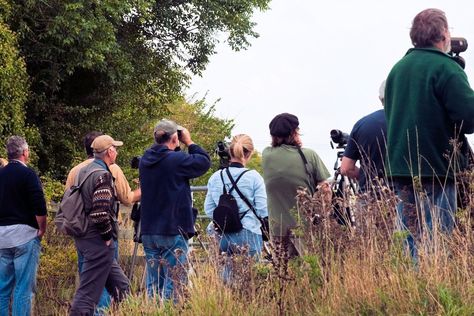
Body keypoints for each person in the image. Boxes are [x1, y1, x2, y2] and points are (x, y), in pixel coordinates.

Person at [384, 8, 474, 257]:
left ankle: (408, 291)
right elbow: (469, 119)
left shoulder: (397, 70)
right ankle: (431, 292)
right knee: (438, 244)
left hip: (401, 169)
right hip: (437, 169)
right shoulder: (446, 68)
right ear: (444, 34)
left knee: (408, 241)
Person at [65, 131, 140, 314]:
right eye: (115, 148)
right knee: (88, 294)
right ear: (108, 152)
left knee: (122, 287)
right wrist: (107, 237)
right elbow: (99, 212)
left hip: (82, 235)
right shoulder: (103, 175)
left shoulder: (81, 171)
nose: (117, 152)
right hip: (98, 240)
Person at [139, 119, 211, 300]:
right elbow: (203, 162)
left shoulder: (145, 160)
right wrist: (190, 142)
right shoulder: (176, 160)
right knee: (175, 282)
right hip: (172, 229)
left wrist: (177, 146)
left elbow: (167, 161)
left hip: (148, 230)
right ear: (174, 138)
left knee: (154, 285)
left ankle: (151, 312)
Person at [262, 113, 331, 257]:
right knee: (312, 270)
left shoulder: (266, 155)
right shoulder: (309, 155)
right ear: (294, 132)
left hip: (277, 229)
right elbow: (325, 189)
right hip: (305, 227)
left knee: (282, 274)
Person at [204, 134, 268, 281]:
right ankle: (245, 300)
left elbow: (209, 209)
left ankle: (227, 298)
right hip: (248, 232)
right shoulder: (254, 177)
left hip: (222, 234)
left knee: (226, 272)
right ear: (249, 153)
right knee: (251, 277)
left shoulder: (216, 177)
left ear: (230, 151)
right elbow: (263, 209)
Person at [0, 136, 47, 315]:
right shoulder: (28, 174)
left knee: (3, 289)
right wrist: (42, 228)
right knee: (23, 288)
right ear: (25, 153)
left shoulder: (1, 174)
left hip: (2, 237)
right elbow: (39, 204)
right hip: (24, 235)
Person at [341, 80, 387, 193]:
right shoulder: (415, 123)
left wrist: (365, 176)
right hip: (406, 199)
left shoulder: (363, 124)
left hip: (369, 196)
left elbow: (346, 168)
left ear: (380, 98)